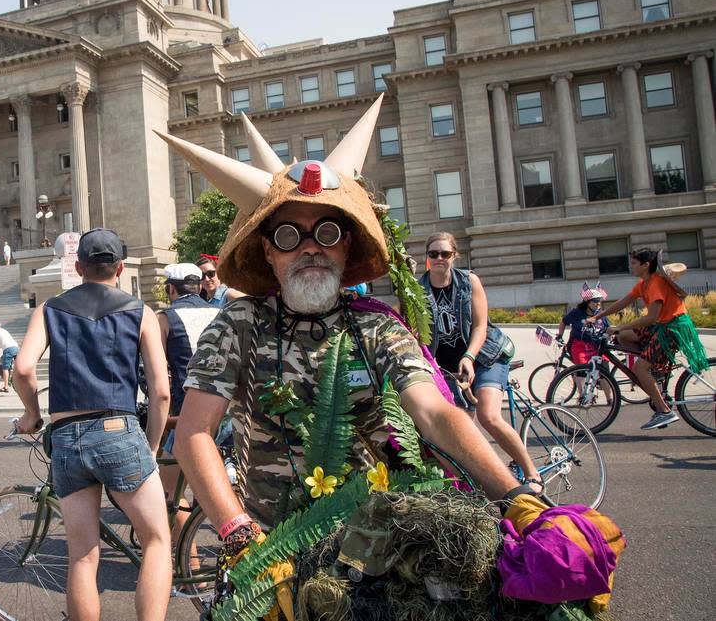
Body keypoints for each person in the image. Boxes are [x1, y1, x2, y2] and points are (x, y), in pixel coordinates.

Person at [157, 96, 619, 617]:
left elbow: (435, 411)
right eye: (289, 235)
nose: (310, 247)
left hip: (375, 551)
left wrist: (516, 496)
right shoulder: (239, 326)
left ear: (346, 248)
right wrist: (236, 531)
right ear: (267, 251)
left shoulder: (375, 326)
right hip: (271, 552)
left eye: (327, 233)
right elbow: (195, 431)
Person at [13, 228, 172, 621]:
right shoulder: (141, 312)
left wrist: (32, 415)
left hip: (67, 437)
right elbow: (161, 391)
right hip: (119, 429)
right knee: (156, 540)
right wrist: (149, 447)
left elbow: (22, 369)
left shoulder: (50, 309)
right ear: (120, 267)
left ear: (78, 266)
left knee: (82, 556)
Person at [420, 231, 541, 489]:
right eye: (433, 254)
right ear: (427, 258)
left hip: (485, 355)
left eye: (445, 253)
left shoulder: (469, 281)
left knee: (488, 416)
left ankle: (532, 474)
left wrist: (469, 356)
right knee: (459, 430)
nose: (439, 258)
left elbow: (480, 326)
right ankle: (473, 487)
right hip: (448, 368)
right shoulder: (418, 289)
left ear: (454, 255)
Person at [591, 248, 710, 430]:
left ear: (645, 265)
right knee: (624, 337)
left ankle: (664, 411)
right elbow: (624, 302)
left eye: (633, 263)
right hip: (662, 325)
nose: (630, 266)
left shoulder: (656, 284)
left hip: (673, 328)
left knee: (639, 367)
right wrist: (597, 317)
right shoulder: (643, 283)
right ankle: (656, 372)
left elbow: (651, 317)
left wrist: (619, 326)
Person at [156, 262, 220, 547]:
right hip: (225, 411)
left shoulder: (166, 318)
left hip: (186, 412)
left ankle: (190, 567)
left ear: (171, 289)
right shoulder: (221, 312)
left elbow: (152, 368)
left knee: (172, 491)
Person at [556, 284, 610, 365]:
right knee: (582, 373)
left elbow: (608, 328)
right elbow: (563, 322)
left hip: (597, 347)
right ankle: (577, 374)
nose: (598, 303)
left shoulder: (600, 314)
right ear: (587, 302)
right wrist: (560, 336)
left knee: (605, 373)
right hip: (580, 347)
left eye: (599, 300)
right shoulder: (577, 312)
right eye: (595, 301)